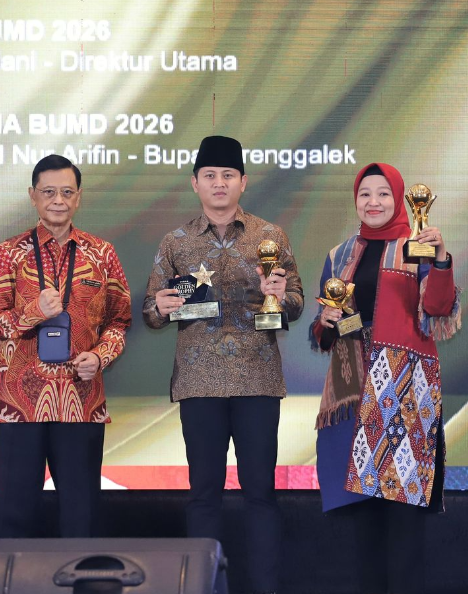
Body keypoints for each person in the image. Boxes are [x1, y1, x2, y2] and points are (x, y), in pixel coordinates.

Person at [142, 135, 303, 594]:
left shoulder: (271, 237)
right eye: (210, 175)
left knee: (261, 495)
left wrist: (279, 296)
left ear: (243, 182)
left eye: (228, 175)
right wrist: (161, 306)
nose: (219, 183)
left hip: (257, 380)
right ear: (195, 183)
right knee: (203, 497)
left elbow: (295, 302)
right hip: (199, 383)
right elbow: (151, 312)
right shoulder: (175, 242)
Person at [310, 163, 460, 594]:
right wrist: (325, 321)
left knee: (403, 521)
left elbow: (438, 309)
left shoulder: (418, 245)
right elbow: (325, 333)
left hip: (403, 392)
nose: (373, 202)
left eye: (383, 194)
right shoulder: (339, 255)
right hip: (353, 392)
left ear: (398, 200)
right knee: (364, 527)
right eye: (365, 194)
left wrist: (441, 261)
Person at [0, 154, 131, 539]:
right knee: (14, 514)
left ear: (79, 197)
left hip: (81, 399)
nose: (58, 200)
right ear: (33, 196)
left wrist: (101, 356)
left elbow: (120, 321)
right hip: (18, 402)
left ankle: (81, 574)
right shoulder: (9, 252)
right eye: (48, 192)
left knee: (82, 515)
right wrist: (33, 312)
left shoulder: (102, 253)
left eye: (67, 192)